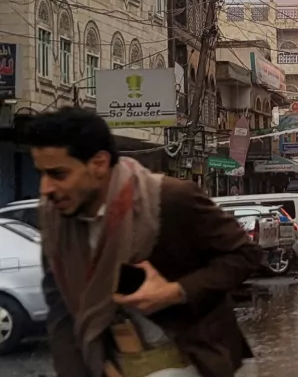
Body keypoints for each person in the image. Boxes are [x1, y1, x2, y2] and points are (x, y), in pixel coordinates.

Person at [25, 107, 262, 377]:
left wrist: (176, 291)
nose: (45, 188)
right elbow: (62, 312)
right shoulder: (56, 222)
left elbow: (245, 255)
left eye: (58, 174)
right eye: (41, 174)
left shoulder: (169, 199)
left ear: (99, 164)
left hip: (196, 363)